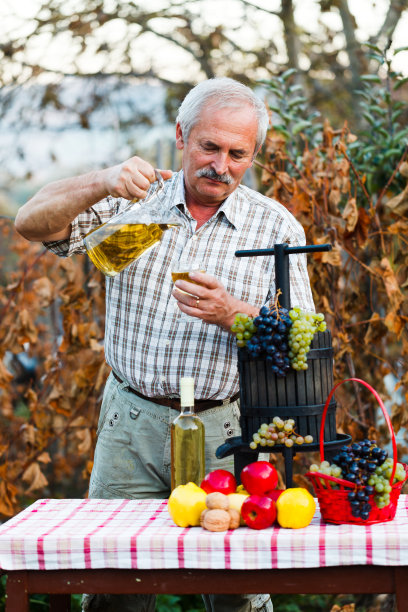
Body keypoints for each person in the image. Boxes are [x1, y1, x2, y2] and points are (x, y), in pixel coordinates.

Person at [15, 77, 315, 612]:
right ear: (181, 135)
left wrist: (235, 315)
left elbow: (304, 341)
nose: (220, 164)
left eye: (237, 153)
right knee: (112, 587)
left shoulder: (275, 227)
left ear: (252, 156)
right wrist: (103, 179)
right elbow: (30, 222)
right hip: (129, 424)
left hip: (225, 429)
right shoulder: (131, 199)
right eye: (209, 146)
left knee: (238, 593)